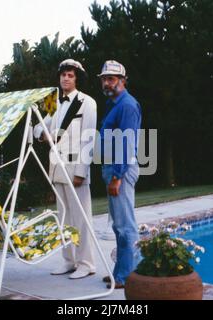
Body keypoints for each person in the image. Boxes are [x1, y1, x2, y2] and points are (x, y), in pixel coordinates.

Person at [34, 59, 97, 279]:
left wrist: (81, 171)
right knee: (63, 218)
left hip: (75, 168)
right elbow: (39, 127)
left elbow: (88, 140)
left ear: (77, 78)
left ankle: (86, 263)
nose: (65, 78)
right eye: (63, 75)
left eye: (70, 75)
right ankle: (69, 261)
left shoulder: (87, 102)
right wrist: (43, 133)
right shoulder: (55, 102)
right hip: (57, 168)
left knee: (80, 218)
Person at [97, 60, 142, 289]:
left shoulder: (127, 105)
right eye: (104, 78)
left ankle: (129, 276)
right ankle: (121, 272)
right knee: (118, 226)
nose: (107, 82)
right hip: (113, 169)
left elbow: (126, 143)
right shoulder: (113, 103)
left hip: (120, 171)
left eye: (112, 79)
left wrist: (117, 176)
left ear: (123, 81)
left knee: (126, 226)